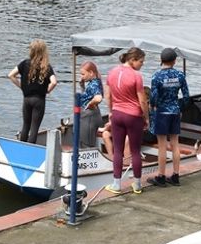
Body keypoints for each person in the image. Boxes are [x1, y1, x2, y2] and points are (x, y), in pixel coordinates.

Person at [105, 47, 150, 194]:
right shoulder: (136, 76)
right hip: (133, 115)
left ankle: (116, 184)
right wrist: (146, 117)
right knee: (135, 151)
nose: (142, 64)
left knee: (118, 150)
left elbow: (108, 96)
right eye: (141, 61)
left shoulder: (111, 72)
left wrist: (110, 112)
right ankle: (137, 184)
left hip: (117, 114)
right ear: (132, 60)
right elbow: (142, 100)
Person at [149, 47, 190, 186]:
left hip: (162, 112)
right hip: (175, 111)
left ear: (161, 60)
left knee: (162, 145)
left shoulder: (157, 76)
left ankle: (161, 176)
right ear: (174, 61)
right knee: (175, 143)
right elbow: (186, 96)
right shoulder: (180, 75)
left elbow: (154, 96)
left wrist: (153, 106)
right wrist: (181, 108)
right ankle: (176, 175)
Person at [8, 39, 58, 143]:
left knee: (25, 126)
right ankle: (30, 151)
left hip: (26, 99)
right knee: (34, 128)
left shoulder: (25, 63)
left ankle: (21, 147)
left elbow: (11, 75)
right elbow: (54, 82)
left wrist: (21, 86)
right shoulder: (46, 66)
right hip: (39, 100)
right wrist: (47, 90)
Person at [76, 60, 104, 148]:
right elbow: (88, 96)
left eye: (83, 74)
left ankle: (88, 161)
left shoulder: (94, 85)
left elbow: (98, 98)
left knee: (86, 143)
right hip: (90, 115)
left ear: (91, 73)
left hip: (89, 117)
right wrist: (82, 86)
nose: (82, 77)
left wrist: (90, 104)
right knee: (85, 140)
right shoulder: (94, 82)